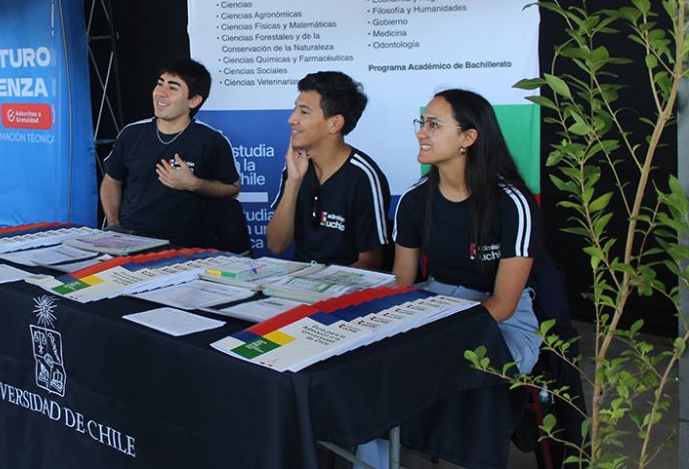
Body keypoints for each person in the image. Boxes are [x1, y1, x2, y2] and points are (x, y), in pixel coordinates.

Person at [392, 88, 541, 373]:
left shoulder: (512, 203)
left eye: (433, 125)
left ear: (468, 138)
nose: (421, 133)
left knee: (450, 366)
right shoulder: (413, 200)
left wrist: (440, 331)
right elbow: (402, 280)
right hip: (432, 304)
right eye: (422, 123)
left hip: (501, 320)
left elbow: (504, 304)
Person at [100, 58, 240, 246]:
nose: (161, 93)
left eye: (173, 88)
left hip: (182, 245)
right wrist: (113, 224)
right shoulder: (131, 134)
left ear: (194, 100)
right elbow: (112, 180)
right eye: (160, 84)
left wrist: (194, 184)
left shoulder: (211, 141)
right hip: (129, 238)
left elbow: (233, 189)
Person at [266, 71, 390, 268]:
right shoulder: (296, 165)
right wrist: (293, 182)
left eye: (304, 112)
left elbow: (370, 261)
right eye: (295, 109)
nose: (291, 119)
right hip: (300, 278)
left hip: (345, 284)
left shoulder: (363, 176)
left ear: (335, 123)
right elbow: (276, 245)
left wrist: (326, 282)